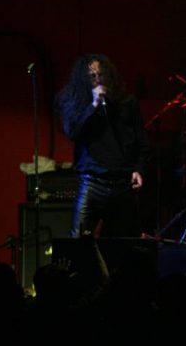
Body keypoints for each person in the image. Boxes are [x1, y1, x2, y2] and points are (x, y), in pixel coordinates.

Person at [55, 54, 151, 238]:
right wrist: (93, 105)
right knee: (79, 241)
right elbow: (73, 132)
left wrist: (139, 168)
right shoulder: (76, 102)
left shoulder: (126, 103)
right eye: (92, 76)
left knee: (125, 244)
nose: (98, 80)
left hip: (122, 184)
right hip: (92, 183)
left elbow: (141, 142)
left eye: (101, 75)